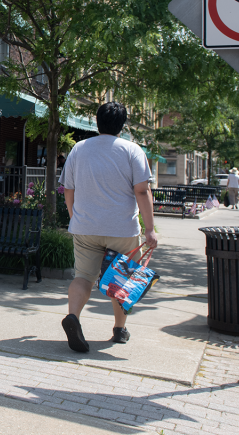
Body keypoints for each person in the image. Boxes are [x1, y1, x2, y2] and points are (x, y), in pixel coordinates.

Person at [60, 102, 158, 353]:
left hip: (85, 226)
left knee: (83, 276)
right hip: (122, 228)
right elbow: (142, 191)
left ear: (96, 122)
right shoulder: (132, 150)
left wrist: (74, 216)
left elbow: (68, 189)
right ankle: (118, 329)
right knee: (123, 280)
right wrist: (149, 229)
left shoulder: (79, 149)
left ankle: (73, 317)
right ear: (122, 125)